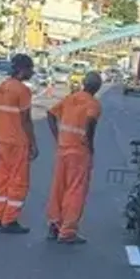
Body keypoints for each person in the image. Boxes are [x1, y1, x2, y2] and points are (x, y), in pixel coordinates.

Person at [46, 71, 103, 245]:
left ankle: (54, 225)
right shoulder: (94, 104)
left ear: (84, 84)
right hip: (79, 152)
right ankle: (68, 231)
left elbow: (50, 114)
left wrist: (58, 137)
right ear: (97, 88)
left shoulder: (70, 98)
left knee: (59, 188)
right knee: (75, 190)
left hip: (63, 149)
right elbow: (90, 122)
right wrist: (89, 143)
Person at [0, 53, 38, 234]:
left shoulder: (2, 87)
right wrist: (33, 143)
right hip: (17, 143)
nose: (31, 73)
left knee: (1, 180)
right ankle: (9, 220)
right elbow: (26, 120)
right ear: (22, 70)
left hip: (1, 140)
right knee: (18, 182)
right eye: (30, 69)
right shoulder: (23, 91)